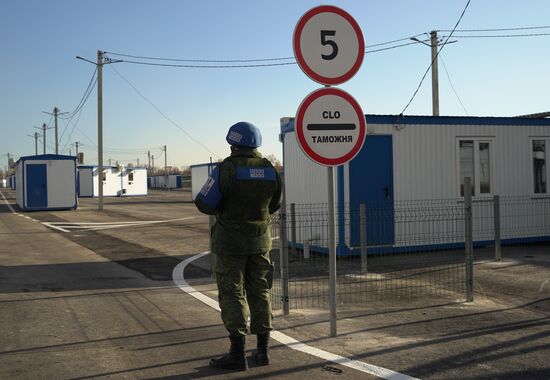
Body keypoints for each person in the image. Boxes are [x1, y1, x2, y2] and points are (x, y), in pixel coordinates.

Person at [194, 121, 282, 371]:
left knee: (233, 294)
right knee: (260, 292)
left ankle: (237, 354)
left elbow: (204, 203)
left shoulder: (227, 170)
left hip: (230, 244)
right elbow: (275, 204)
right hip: (260, 242)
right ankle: (263, 351)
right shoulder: (270, 170)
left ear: (233, 143)